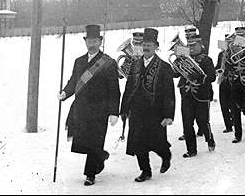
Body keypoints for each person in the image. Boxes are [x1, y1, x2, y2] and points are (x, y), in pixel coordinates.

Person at [58, 25, 121, 186]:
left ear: (100, 42)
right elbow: (74, 81)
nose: (91, 44)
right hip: (81, 109)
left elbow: (114, 89)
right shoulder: (78, 61)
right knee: (83, 142)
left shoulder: (108, 62)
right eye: (89, 41)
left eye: (95, 41)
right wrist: (65, 92)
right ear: (85, 42)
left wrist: (114, 112)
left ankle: (90, 174)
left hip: (100, 110)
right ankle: (100, 156)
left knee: (94, 141)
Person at [119, 28, 175, 182]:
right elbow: (129, 87)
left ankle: (166, 155)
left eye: (149, 44)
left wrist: (168, 115)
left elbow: (169, 93)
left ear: (156, 46)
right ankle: (145, 171)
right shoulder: (135, 64)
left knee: (157, 142)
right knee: (138, 143)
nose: (146, 47)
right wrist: (124, 109)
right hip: (137, 111)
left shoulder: (164, 67)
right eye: (144, 44)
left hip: (155, 111)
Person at [174, 35, 217, 157]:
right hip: (186, 95)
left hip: (201, 95)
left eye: (194, 45)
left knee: (203, 121)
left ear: (200, 46)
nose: (191, 48)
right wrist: (176, 64)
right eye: (189, 46)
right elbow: (176, 74)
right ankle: (191, 150)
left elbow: (212, 77)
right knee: (187, 123)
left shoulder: (206, 60)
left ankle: (210, 139)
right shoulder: (184, 59)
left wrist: (199, 77)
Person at [216, 33, 235, 133]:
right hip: (222, 80)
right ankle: (228, 125)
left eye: (230, 41)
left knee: (233, 104)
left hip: (232, 80)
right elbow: (218, 66)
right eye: (226, 41)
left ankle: (236, 122)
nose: (228, 43)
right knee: (223, 104)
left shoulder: (235, 53)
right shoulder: (221, 54)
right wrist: (216, 70)